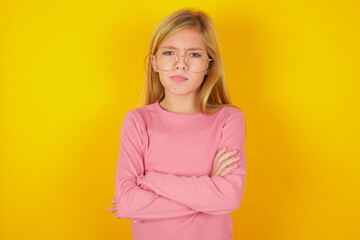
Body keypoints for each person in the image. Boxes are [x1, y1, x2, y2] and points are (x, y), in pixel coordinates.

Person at [108, 7, 247, 240]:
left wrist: (150, 181)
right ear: (154, 62)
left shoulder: (228, 119)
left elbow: (230, 198)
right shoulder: (137, 121)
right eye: (169, 53)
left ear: (209, 65)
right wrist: (210, 189)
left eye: (193, 54)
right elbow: (128, 204)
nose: (180, 64)